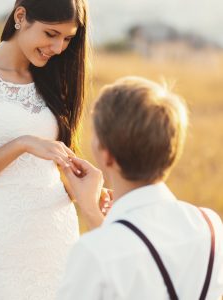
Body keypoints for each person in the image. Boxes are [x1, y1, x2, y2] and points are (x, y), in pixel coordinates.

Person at [0, 0, 102, 299]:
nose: (58, 47)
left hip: (56, 237)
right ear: (21, 16)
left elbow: (49, 171)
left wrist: (84, 192)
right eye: (51, 33)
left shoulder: (53, 80)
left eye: (67, 38)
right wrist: (21, 144)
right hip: (2, 245)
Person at [58, 77, 223, 299]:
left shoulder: (93, 253)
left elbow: (119, 256)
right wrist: (92, 213)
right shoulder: (210, 226)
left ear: (106, 156)